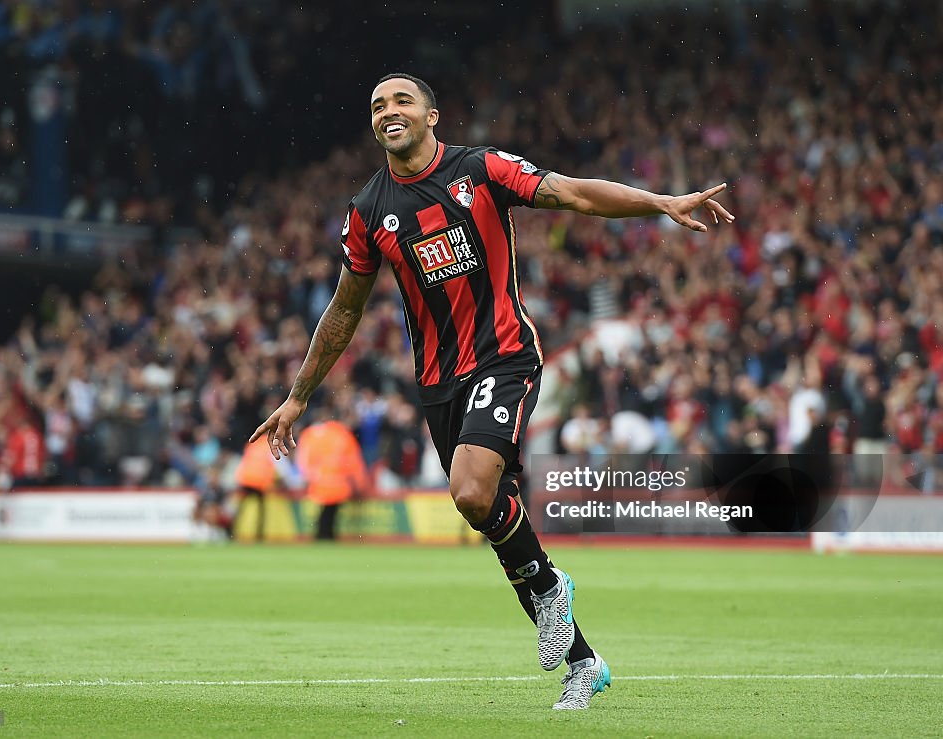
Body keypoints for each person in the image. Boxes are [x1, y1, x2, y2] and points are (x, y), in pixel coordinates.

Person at [252, 73, 734, 710]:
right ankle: (581, 660)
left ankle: (553, 595)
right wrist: (299, 395)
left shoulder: (480, 170)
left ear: (432, 116)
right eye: (377, 105)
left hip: (504, 356)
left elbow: (573, 195)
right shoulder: (368, 211)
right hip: (437, 382)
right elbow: (344, 311)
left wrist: (660, 203)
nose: (388, 112)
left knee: (472, 489)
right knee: (487, 512)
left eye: (401, 101)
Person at [295, 413, 367, 541]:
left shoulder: (317, 434)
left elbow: (305, 456)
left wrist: (307, 475)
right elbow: (354, 462)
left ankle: (323, 534)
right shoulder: (344, 436)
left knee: (326, 511)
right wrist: (359, 484)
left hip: (321, 481)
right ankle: (326, 535)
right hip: (338, 483)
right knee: (330, 512)